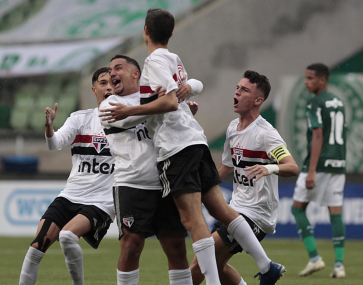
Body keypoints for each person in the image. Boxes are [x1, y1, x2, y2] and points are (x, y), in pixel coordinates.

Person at [100, 8, 286, 285]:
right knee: (221, 210)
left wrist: (130, 113)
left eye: (118, 68)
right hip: (193, 141)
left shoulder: (153, 62)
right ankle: (266, 265)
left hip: (176, 148)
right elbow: (180, 94)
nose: (113, 75)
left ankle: (213, 283)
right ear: (172, 34)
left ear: (145, 32)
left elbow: (170, 101)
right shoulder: (173, 59)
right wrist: (188, 91)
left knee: (192, 221)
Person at [100, 54, 203, 285]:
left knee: (176, 246)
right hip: (132, 183)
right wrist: (171, 107)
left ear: (136, 74)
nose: (112, 74)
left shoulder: (155, 97)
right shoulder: (109, 105)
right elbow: (132, 119)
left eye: (118, 68)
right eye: (109, 71)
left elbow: (196, 85)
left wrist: (179, 104)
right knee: (131, 246)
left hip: (166, 181)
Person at [190, 70, 299, 285]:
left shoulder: (266, 133)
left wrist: (269, 169)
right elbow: (225, 166)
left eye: (245, 90)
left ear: (258, 100)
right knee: (218, 267)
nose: (237, 93)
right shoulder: (233, 128)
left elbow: (292, 167)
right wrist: (201, 192)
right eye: (237, 88)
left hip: (256, 215)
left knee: (200, 262)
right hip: (234, 210)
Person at [19, 67, 116, 285]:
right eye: (102, 82)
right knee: (36, 248)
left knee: (67, 236)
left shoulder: (127, 122)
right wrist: (49, 128)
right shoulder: (80, 119)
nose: (108, 86)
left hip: (102, 200)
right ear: (93, 89)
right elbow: (55, 143)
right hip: (71, 195)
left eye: (112, 82)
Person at [291, 63, 347, 278]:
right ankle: (339, 266)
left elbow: (317, 135)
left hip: (319, 163)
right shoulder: (338, 102)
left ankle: (315, 259)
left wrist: (311, 170)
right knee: (335, 212)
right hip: (338, 164)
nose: (306, 82)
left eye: (310, 78)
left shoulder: (315, 102)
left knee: (297, 209)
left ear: (322, 80)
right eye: (306, 78)